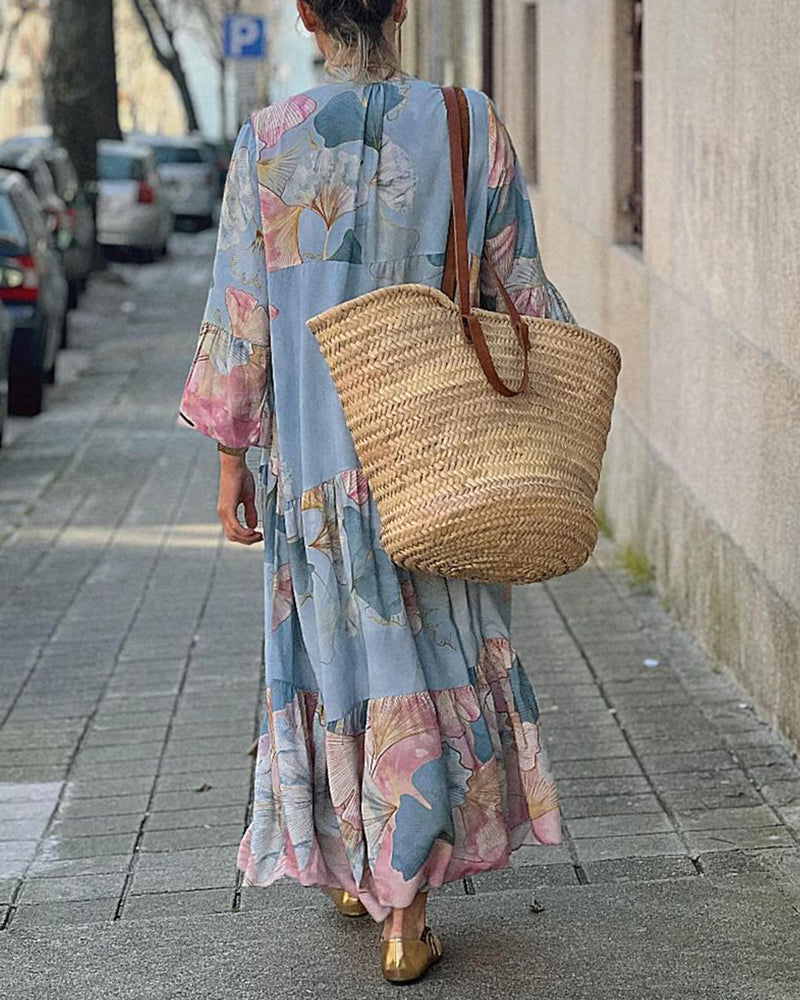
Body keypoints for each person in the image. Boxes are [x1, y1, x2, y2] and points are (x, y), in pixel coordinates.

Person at [178, 0, 574, 984]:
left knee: (332, 665)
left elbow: (240, 314)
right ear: (401, 7)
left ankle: (367, 877)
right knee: (425, 663)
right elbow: (523, 292)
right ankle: (403, 909)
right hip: (438, 461)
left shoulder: (268, 141)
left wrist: (230, 457)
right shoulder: (465, 122)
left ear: (305, 14)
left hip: (313, 473)